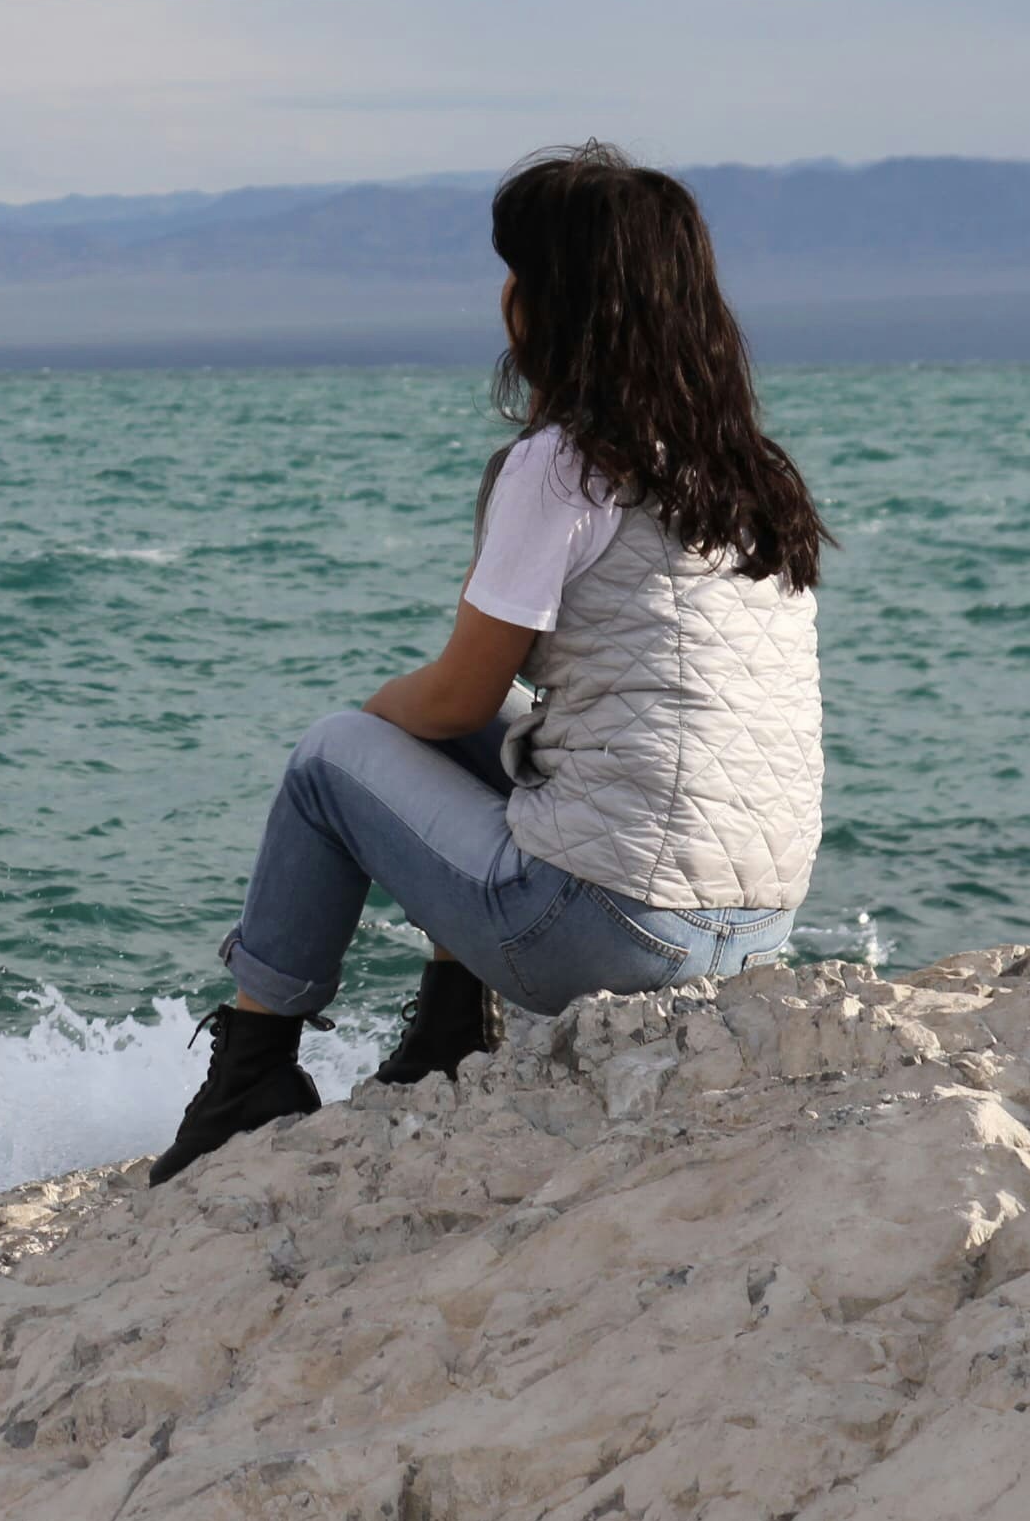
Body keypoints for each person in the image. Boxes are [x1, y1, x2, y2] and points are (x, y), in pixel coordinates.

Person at [146, 143, 830, 1187]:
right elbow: (506, 713)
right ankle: (448, 1030)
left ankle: (252, 1072)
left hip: (611, 935)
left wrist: (376, 717)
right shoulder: (750, 476)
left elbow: (454, 691)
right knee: (498, 726)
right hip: (756, 935)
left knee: (338, 754)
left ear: (542, 305)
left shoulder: (563, 465)